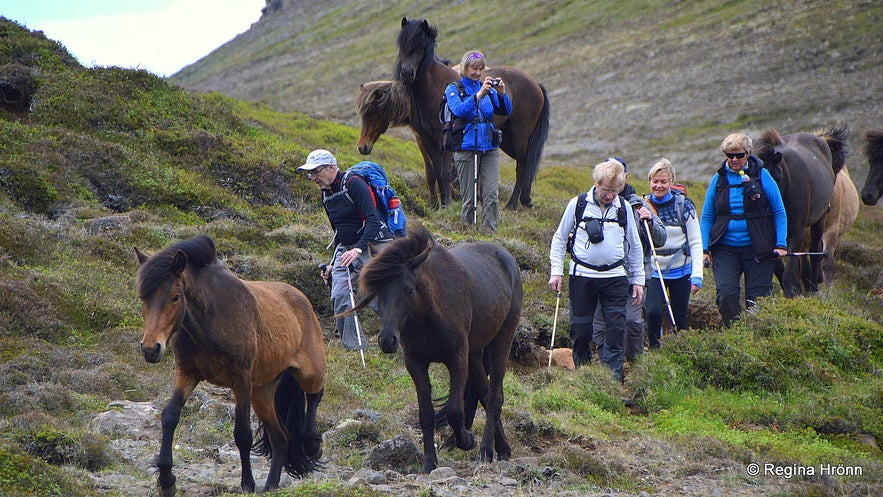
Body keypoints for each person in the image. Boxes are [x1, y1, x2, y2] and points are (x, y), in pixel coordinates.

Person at [549, 159, 645, 382]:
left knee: (615, 329)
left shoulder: (624, 208)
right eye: (605, 190)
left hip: (615, 278)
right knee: (581, 330)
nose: (610, 196)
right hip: (582, 277)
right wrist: (556, 271)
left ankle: (613, 380)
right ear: (596, 184)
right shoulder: (578, 204)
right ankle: (583, 376)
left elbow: (635, 245)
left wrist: (638, 279)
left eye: (614, 191)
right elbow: (559, 238)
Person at [298, 149, 391, 350]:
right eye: (310, 173)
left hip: (373, 245)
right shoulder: (325, 194)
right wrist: (332, 264)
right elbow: (339, 232)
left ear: (331, 167)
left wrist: (357, 250)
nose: (313, 177)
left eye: (317, 171)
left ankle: (404, 338)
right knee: (340, 295)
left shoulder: (354, 184)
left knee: (379, 297)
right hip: (346, 250)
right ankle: (354, 347)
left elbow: (373, 221)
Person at [700, 133, 788, 327]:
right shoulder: (718, 179)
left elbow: (779, 212)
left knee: (757, 300)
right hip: (725, 249)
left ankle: (755, 337)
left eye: (739, 155)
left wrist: (781, 243)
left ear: (747, 153)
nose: (734, 160)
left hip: (759, 249)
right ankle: (735, 333)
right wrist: (704, 249)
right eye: (729, 155)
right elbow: (707, 216)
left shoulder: (763, 175)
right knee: (726, 296)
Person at [591, 157, 666, 362]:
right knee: (600, 323)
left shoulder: (638, 203)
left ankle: (635, 365)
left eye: (619, 175)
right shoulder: (588, 203)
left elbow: (661, 238)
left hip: (634, 274)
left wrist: (649, 221)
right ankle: (608, 369)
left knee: (632, 322)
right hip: (601, 275)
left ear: (625, 177)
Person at [444, 50, 512, 232]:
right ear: (465, 67)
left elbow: (505, 110)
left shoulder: (487, 89)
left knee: (491, 194)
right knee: (469, 197)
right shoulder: (454, 89)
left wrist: (501, 94)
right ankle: (467, 231)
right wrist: (478, 95)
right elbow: (458, 110)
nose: (477, 73)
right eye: (474, 68)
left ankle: (490, 233)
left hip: (489, 147)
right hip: (465, 148)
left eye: (480, 69)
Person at [644, 158, 703, 347]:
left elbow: (695, 242)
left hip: (682, 271)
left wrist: (697, 276)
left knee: (679, 317)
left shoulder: (684, 206)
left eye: (663, 181)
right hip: (653, 271)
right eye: (655, 181)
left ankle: (681, 351)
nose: (658, 186)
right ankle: (655, 350)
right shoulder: (642, 207)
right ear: (649, 182)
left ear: (671, 182)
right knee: (652, 312)